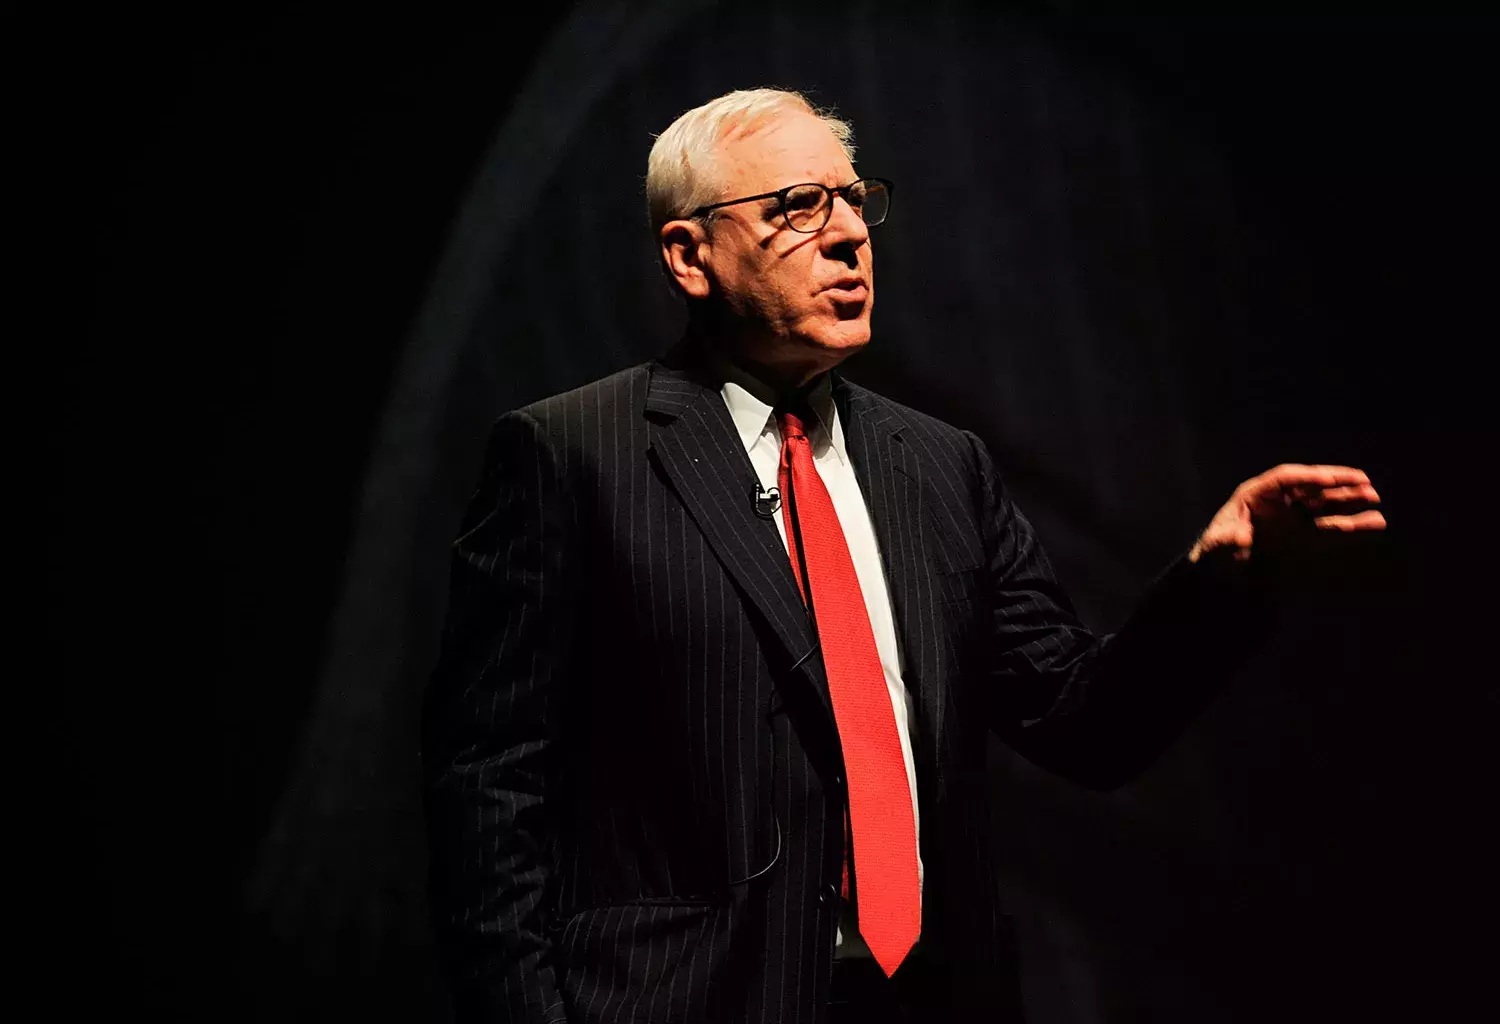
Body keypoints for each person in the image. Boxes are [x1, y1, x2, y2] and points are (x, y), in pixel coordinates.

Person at [422, 87, 1386, 1024]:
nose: (848, 235)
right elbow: (492, 787)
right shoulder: (573, 454)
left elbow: (1082, 724)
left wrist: (1223, 584)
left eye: (853, 200)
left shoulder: (937, 464)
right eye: (798, 207)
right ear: (690, 255)